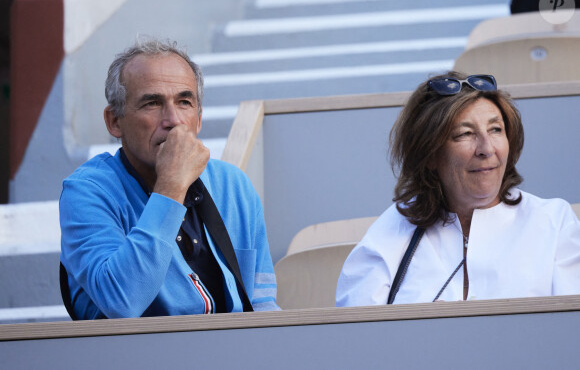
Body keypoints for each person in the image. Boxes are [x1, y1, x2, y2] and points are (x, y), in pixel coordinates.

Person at [59, 37, 279, 319]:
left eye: (185, 102)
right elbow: (122, 301)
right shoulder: (86, 192)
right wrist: (172, 186)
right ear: (115, 121)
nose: (173, 119)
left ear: (198, 119)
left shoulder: (233, 185)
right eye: (152, 103)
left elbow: (262, 302)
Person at [336, 71, 580, 306]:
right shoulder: (391, 231)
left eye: (496, 130)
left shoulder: (554, 223)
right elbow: (357, 340)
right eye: (465, 134)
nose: (487, 148)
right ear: (430, 154)